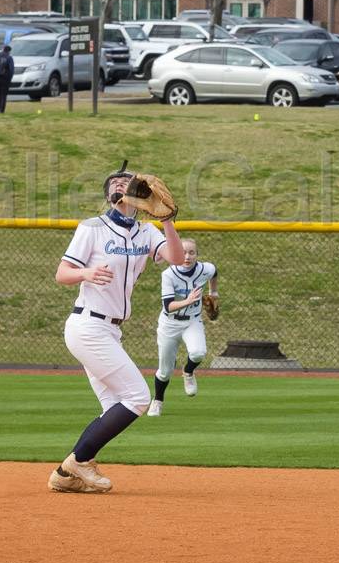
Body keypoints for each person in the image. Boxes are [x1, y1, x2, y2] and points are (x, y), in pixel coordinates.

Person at [49, 163, 185, 493]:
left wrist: (166, 221)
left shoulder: (146, 232)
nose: (131, 185)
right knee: (138, 397)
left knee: (115, 406)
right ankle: (76, 464)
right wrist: (86, 273)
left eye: (133, 182)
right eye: (122, 183)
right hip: (87, 324)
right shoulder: (91, 228)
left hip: (110, 330)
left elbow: (178, 259)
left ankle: (69, 474)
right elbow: (62, 274)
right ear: (113, 195)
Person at [148, 238, 218, 416]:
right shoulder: (169, 275)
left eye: (191, 252)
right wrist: (188, 301)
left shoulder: (204, 269)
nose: (187, 256)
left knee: (198, 353)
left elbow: (214, 272)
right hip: (169, 324)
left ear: (197, 255)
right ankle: (157, 401)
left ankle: (188, 372)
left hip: (192, 321)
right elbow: (168, 306)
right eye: (183, 252)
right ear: (177, 253)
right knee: (164, 371)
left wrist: (213, 293)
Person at [0, 44, 14, 114]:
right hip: (5, 78)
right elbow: (11, 70)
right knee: (4, 94)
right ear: (9, 51)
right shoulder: (9, 58)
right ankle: (2, 109)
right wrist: (9, 78)